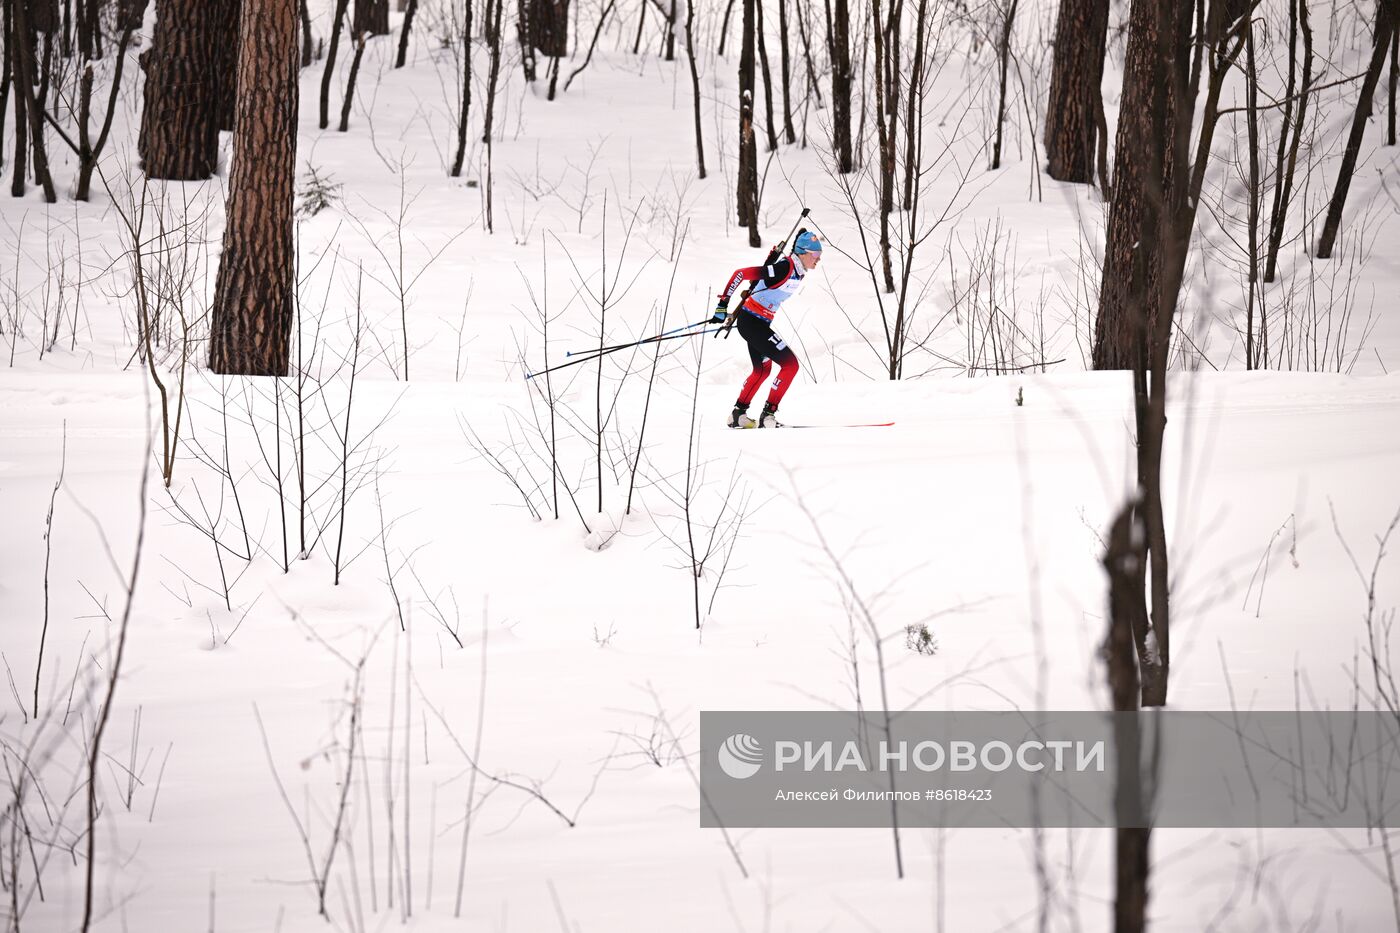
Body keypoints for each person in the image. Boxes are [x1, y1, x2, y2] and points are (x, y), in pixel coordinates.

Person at [711, 231, 822, 429]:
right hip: (752, 322)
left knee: (761, 371)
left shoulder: (797, 269)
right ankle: (768, 416)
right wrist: (722, 304)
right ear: (803, 253)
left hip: (758, 323)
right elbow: (741, 274)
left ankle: (738, 415)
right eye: (815, 255)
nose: (818, 260)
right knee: (790, 365)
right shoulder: (783, 268)